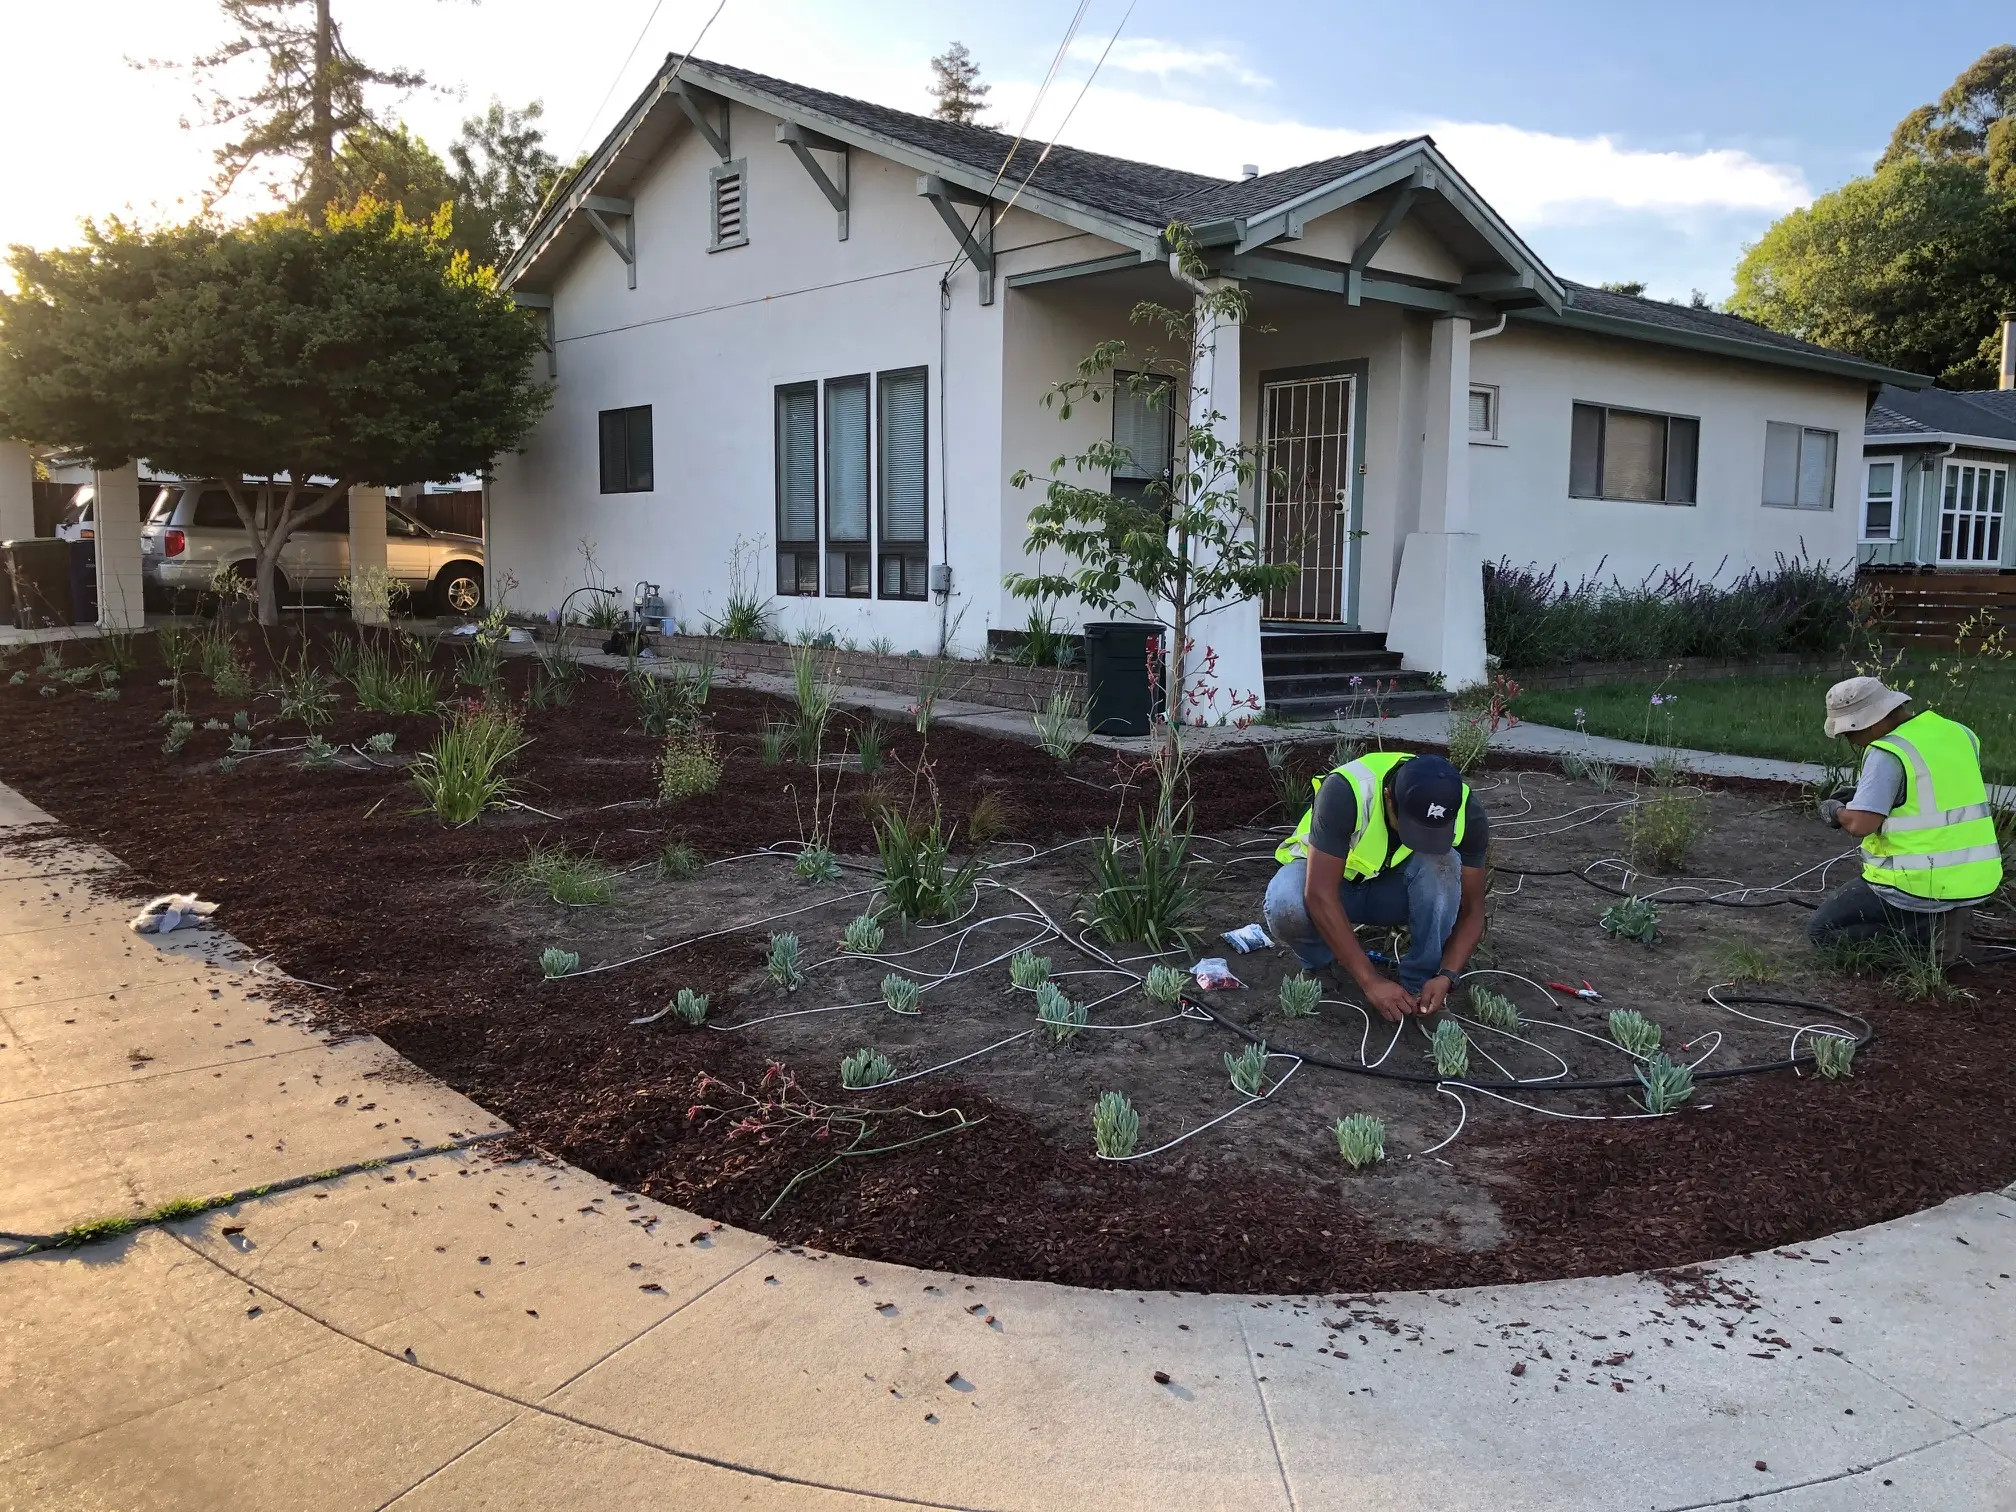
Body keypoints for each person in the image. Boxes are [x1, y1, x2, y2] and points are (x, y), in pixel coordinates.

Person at [1263, 750, 1490, 1022]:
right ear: (1388, 798)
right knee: (1285, 905)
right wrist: (1371, 980)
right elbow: (1319, 894)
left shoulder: (1466, 809)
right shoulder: (1347, 790)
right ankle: (1321, 966)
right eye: (1413, 829)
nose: (1421, 841)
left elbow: (1473, 910)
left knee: (1444, 864)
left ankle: (1421, 987)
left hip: (1390, 892)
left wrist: (1447, 976)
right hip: (1328, 887)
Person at [1808, 675, 2002, 951]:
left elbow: (1861, 824)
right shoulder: (1960, 733)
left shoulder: (1888, 752)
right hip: (1973, 879)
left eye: (1850, 733)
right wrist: (1872, 794)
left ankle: (1918, 944)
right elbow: (1935, 790)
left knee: (1822, 931)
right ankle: (1938, 925)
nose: (1853, 742)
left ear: (1870, 721)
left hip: (1913, 884)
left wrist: (1835, 811)